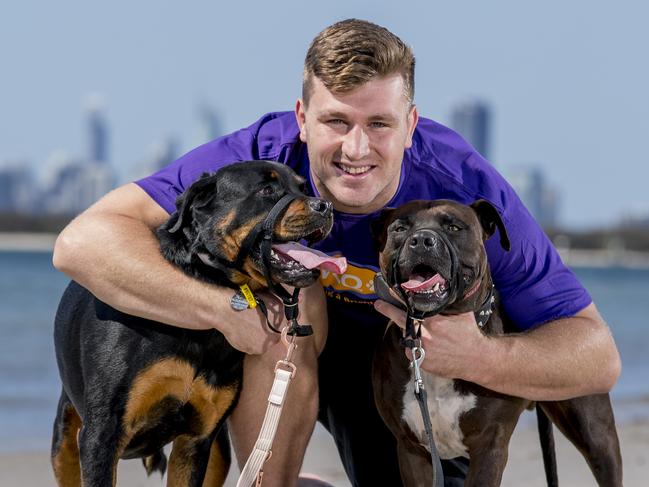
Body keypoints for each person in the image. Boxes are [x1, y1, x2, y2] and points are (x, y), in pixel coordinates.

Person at [53, 18, 621, 487]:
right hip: (289, 348)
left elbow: (597, 356)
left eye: (379, 124)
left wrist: (476, 356)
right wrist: (226, 313)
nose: (356, 148)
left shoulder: (463, 191)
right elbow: (82, 243)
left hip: (397, 364)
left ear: (411, 125)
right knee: (289, 301)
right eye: (335, 121)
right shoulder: (260, 159)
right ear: (302, 120)